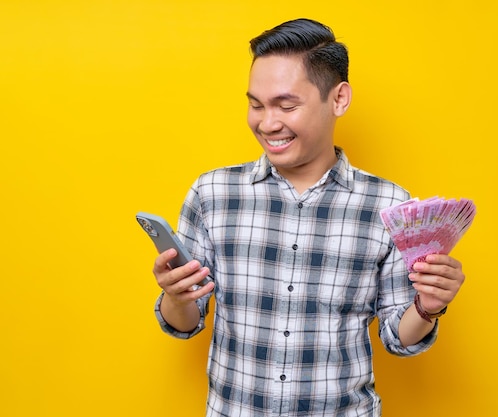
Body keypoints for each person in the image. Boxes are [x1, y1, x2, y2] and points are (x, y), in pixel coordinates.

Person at [152, 18, 466, 417]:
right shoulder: (212, 194)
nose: (267, 123)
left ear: (339, 99)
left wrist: (428, 305)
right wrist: (175, 296)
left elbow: (398, 338)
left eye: (286, 105)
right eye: (255, 104)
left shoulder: (389, 205)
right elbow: (184, 323)